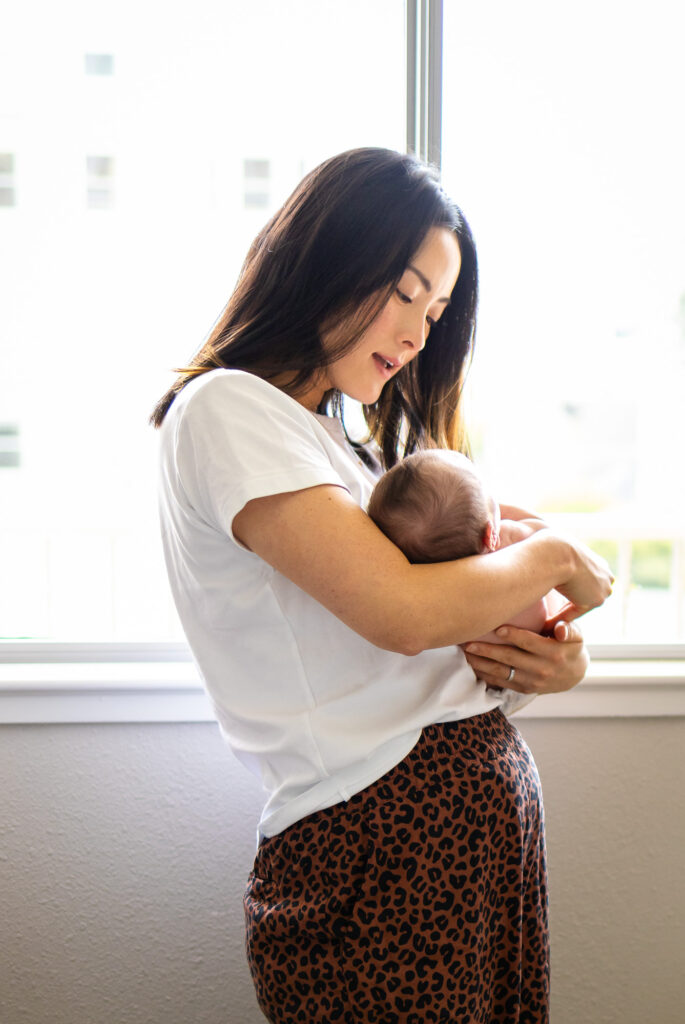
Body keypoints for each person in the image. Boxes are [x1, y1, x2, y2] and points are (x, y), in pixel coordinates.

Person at [151, 148, 612, 1024]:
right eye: (406, 292)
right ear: (327, 254)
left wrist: (547, 666)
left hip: (456, 842)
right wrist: (554, 558)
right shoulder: (228, 411)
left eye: (436, 313)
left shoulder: (353, 455)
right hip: (385, 848)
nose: (418, 333)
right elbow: (399, 618)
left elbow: (418, 649)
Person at [367, 448, 568, 647]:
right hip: (545, 638)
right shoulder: (511, 541)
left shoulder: (440, 603)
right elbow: (551, 537)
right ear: (490, 536)